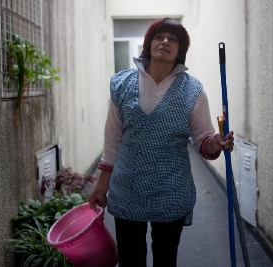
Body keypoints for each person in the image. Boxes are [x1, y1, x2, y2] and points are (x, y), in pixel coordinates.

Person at [89, 17, 234, 267]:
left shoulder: (193, 91)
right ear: (148, 45)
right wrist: (102, 185)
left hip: (171, 189)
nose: (165, 41)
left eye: (173, 39)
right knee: (130, 259)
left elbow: (204, 141)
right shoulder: (122, 84)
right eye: (159, 36)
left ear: (180, 50)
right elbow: (112, 140)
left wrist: (216, 143)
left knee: (165, 259)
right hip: (127, 189)